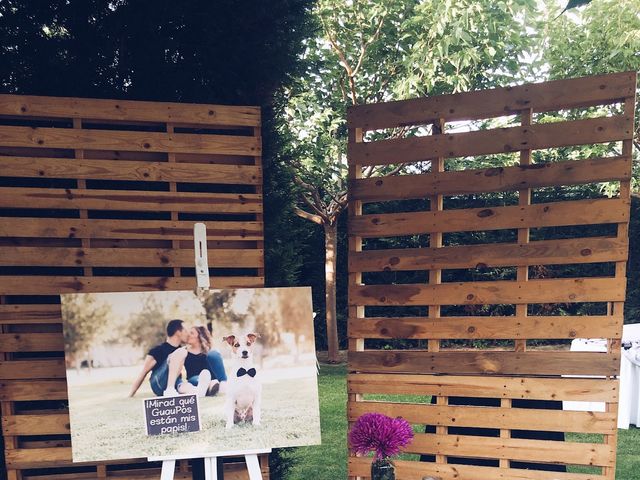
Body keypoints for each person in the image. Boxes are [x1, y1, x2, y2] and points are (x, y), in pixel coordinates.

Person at [129, 319, 192, 397]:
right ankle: (170, 389)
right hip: (158, 384)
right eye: (185, 331)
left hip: (176, 382)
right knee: (181, 352)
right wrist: (131, 394)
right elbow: (143, 373)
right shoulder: (158, 350)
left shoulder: (183, 351)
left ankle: (196, 390)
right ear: (178, 332)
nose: (188, 334)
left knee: (189, 387)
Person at [177, 325, 227, 396]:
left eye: (192, 333)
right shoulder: (185, 352)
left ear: (200, 336)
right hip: (194, 379)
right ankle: (208, 388)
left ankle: (221, 385)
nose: (188, 335)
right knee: (199, 380)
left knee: (214, 354)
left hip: (212, 379)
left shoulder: (209, 352)